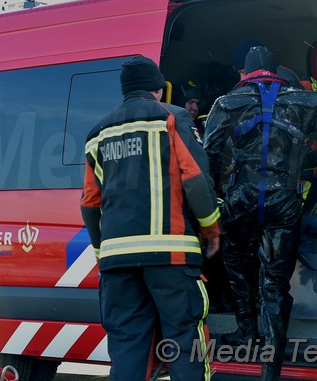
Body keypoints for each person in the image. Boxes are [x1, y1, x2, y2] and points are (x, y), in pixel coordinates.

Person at [203, 46, 317, 380]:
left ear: (245, 73)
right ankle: (271, 368)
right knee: (275, 282)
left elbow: (207, 158)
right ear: (276, 71)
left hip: (241, 198)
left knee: (236, 261)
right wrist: (296, 167)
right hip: (284, 197)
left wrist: (224, 187)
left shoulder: (225, 104)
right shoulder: (309, 101)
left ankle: (246, 332)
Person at [80, 55, 222, 381]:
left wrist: (103, 253)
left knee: (128, 345)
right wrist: (212, 230)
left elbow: (89, 204)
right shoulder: (171, 119)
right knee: (185, 343)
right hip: (170, 255)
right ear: (159, 89)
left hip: (117, 263)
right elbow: (196, 180)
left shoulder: (97, 133)